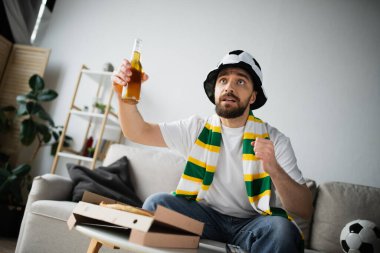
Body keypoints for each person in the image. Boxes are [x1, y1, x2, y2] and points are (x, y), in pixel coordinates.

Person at [111, 50, 313, 253]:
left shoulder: (274, 140)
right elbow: (138, 132)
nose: (229, 88)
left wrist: (273, 168)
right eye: (223, 81)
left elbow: (304, 209)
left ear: (253, 97)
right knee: (157, 204)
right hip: (204, 219)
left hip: (252, 225)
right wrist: (123, 97)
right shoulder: (196, 129)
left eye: (240, 82)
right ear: (215, 91)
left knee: (282, 229)